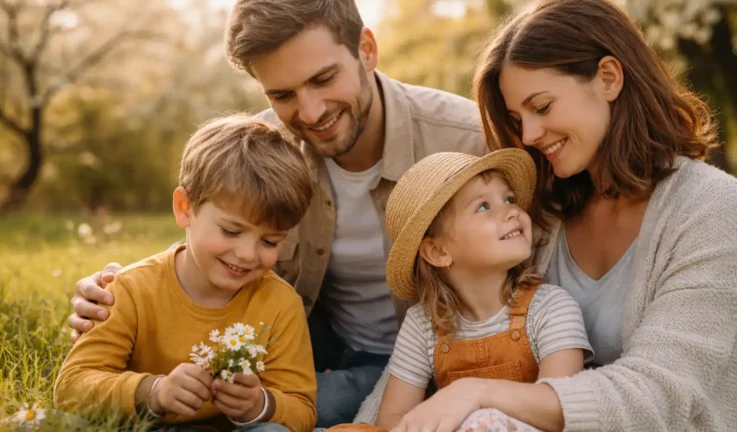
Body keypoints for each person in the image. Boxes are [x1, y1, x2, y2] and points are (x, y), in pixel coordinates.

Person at [65, 0, 486, 427]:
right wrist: (115, 293)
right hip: (304, 338)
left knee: (264, 412)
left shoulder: (467, 142)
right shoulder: (266, 149)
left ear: (366, 49)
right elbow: (210, 233)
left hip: (428, 355)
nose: (310, 112)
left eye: (324, 79)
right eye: (282, 94)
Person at [356, 0, 737, 430]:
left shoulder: (713, 206)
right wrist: (365, 426)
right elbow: (445, 326)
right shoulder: (541, 214)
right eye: (518, 118)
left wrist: (477, 391)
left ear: (608, 78)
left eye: (543, 107)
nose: (530, 135)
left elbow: (658, 394)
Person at [55, 116, 317, 432]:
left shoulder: (280, 304)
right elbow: (72, 386)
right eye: (231, 231)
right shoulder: (132, 289)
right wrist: (153, 392)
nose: (247, 254)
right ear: (184, 208)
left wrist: (258, 404)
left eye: (270, 240)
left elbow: (302, 409)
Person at [375, 150, 594, 429]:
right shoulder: (423, 325)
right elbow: (392, 419)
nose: (512, 211)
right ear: (438, 251)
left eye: (509, 199)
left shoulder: (550, 308)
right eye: (483, 207)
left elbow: (562, 408)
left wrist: (477, 402)